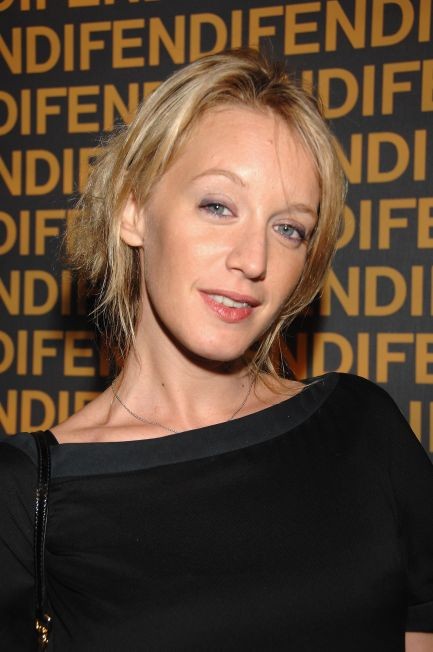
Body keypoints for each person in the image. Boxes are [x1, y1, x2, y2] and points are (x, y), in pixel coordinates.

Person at [1, 48, 432, 652]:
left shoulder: (363, 428)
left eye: (289, 228)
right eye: (218, 206)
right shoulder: (27, 493)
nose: (254, 260)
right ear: (131, 210)